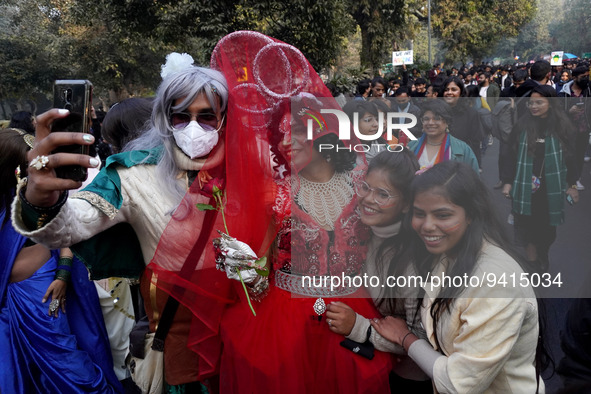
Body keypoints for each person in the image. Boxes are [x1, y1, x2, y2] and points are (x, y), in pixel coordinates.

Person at [11, 54, 234, 391]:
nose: (193, 127)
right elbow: (72, 226)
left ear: (224, 119)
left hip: (247, 339)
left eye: (206, 117)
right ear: (163, 120)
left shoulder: (253, 169)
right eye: (180, 116)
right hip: (179, 346)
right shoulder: (134, 173)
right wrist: (42, 198)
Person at [212, 31, 392, 393]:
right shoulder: (273, 195)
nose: (284, 142)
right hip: (285, 322)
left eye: (294, 130)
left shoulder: (364, 180)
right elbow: (258, 268)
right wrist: (244, 268)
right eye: (278, 134)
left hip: (357, 307)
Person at [371, 160, 544, 393]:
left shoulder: (496, 281)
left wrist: (405, 339)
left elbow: (458, 384)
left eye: (443, 215)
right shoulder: (449, 255)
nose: (427, 225)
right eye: (419, 213)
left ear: (471, 214)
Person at [0, 128, 122, 393]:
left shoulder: (42, 197)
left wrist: (63, 275)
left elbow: (66, 233)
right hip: (13, 304)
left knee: (71, 362)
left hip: (46, 296)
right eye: (28, 165)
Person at [325, 149, 433, 392]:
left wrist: (358, 326)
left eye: (383, 194)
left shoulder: (410, 261)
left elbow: (422, 338)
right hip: (375, 358)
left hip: (407, 376)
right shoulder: (364, 231)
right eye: (365, 187)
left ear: (406, 204)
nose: (368, 199)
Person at [500, 85, 579, 273]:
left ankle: (543, 254)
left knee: (548, 231)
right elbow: (509, 155)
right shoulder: (522, 125)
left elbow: (571, 158)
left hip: (550, 188)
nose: (533, 106)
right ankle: (533, 262)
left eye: (539, 102)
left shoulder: (563, 127)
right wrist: (507, 181)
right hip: (524, 185)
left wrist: (572, 184)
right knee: (526, 227)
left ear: (550, 103)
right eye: (531, 103)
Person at [407, 99, 479, 173]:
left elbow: (473, 181)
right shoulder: (411, 146)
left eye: (437, 118)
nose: (430, 123)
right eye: (426, 119)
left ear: (447, 121)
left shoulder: (463, 150)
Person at [441, 76, 484, 169]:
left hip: (461, 164)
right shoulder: (436, 113)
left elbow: (475, 143)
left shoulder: (471, 114)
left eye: (454, 89)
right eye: (446, 89)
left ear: (461, 93)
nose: (449, 92)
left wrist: (476, 167)